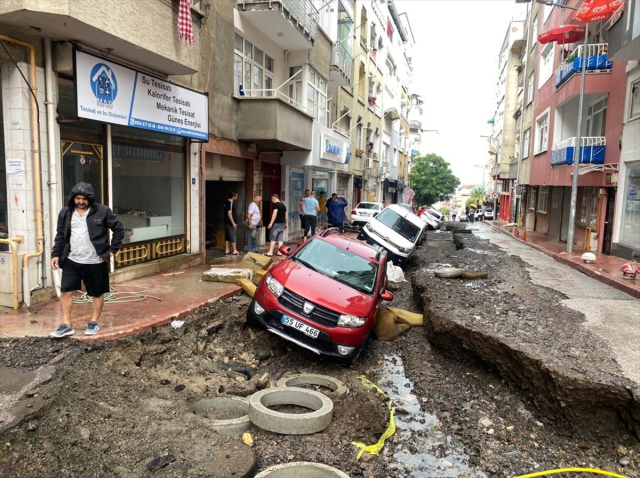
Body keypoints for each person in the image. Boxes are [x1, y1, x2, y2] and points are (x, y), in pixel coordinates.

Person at [50, 182, 124, 338]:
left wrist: (112, 250)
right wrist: (55, 254)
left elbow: (119, 228)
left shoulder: (102, 211)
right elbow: (60, 235)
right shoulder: (66, 212)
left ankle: (93, 322)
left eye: (84, 198)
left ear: (90, 198)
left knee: (97, 293)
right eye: (78, 198)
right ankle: (66, 324)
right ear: (73, 198)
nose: (81, 201)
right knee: (65, 292)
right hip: (71, 260)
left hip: (95, 261)